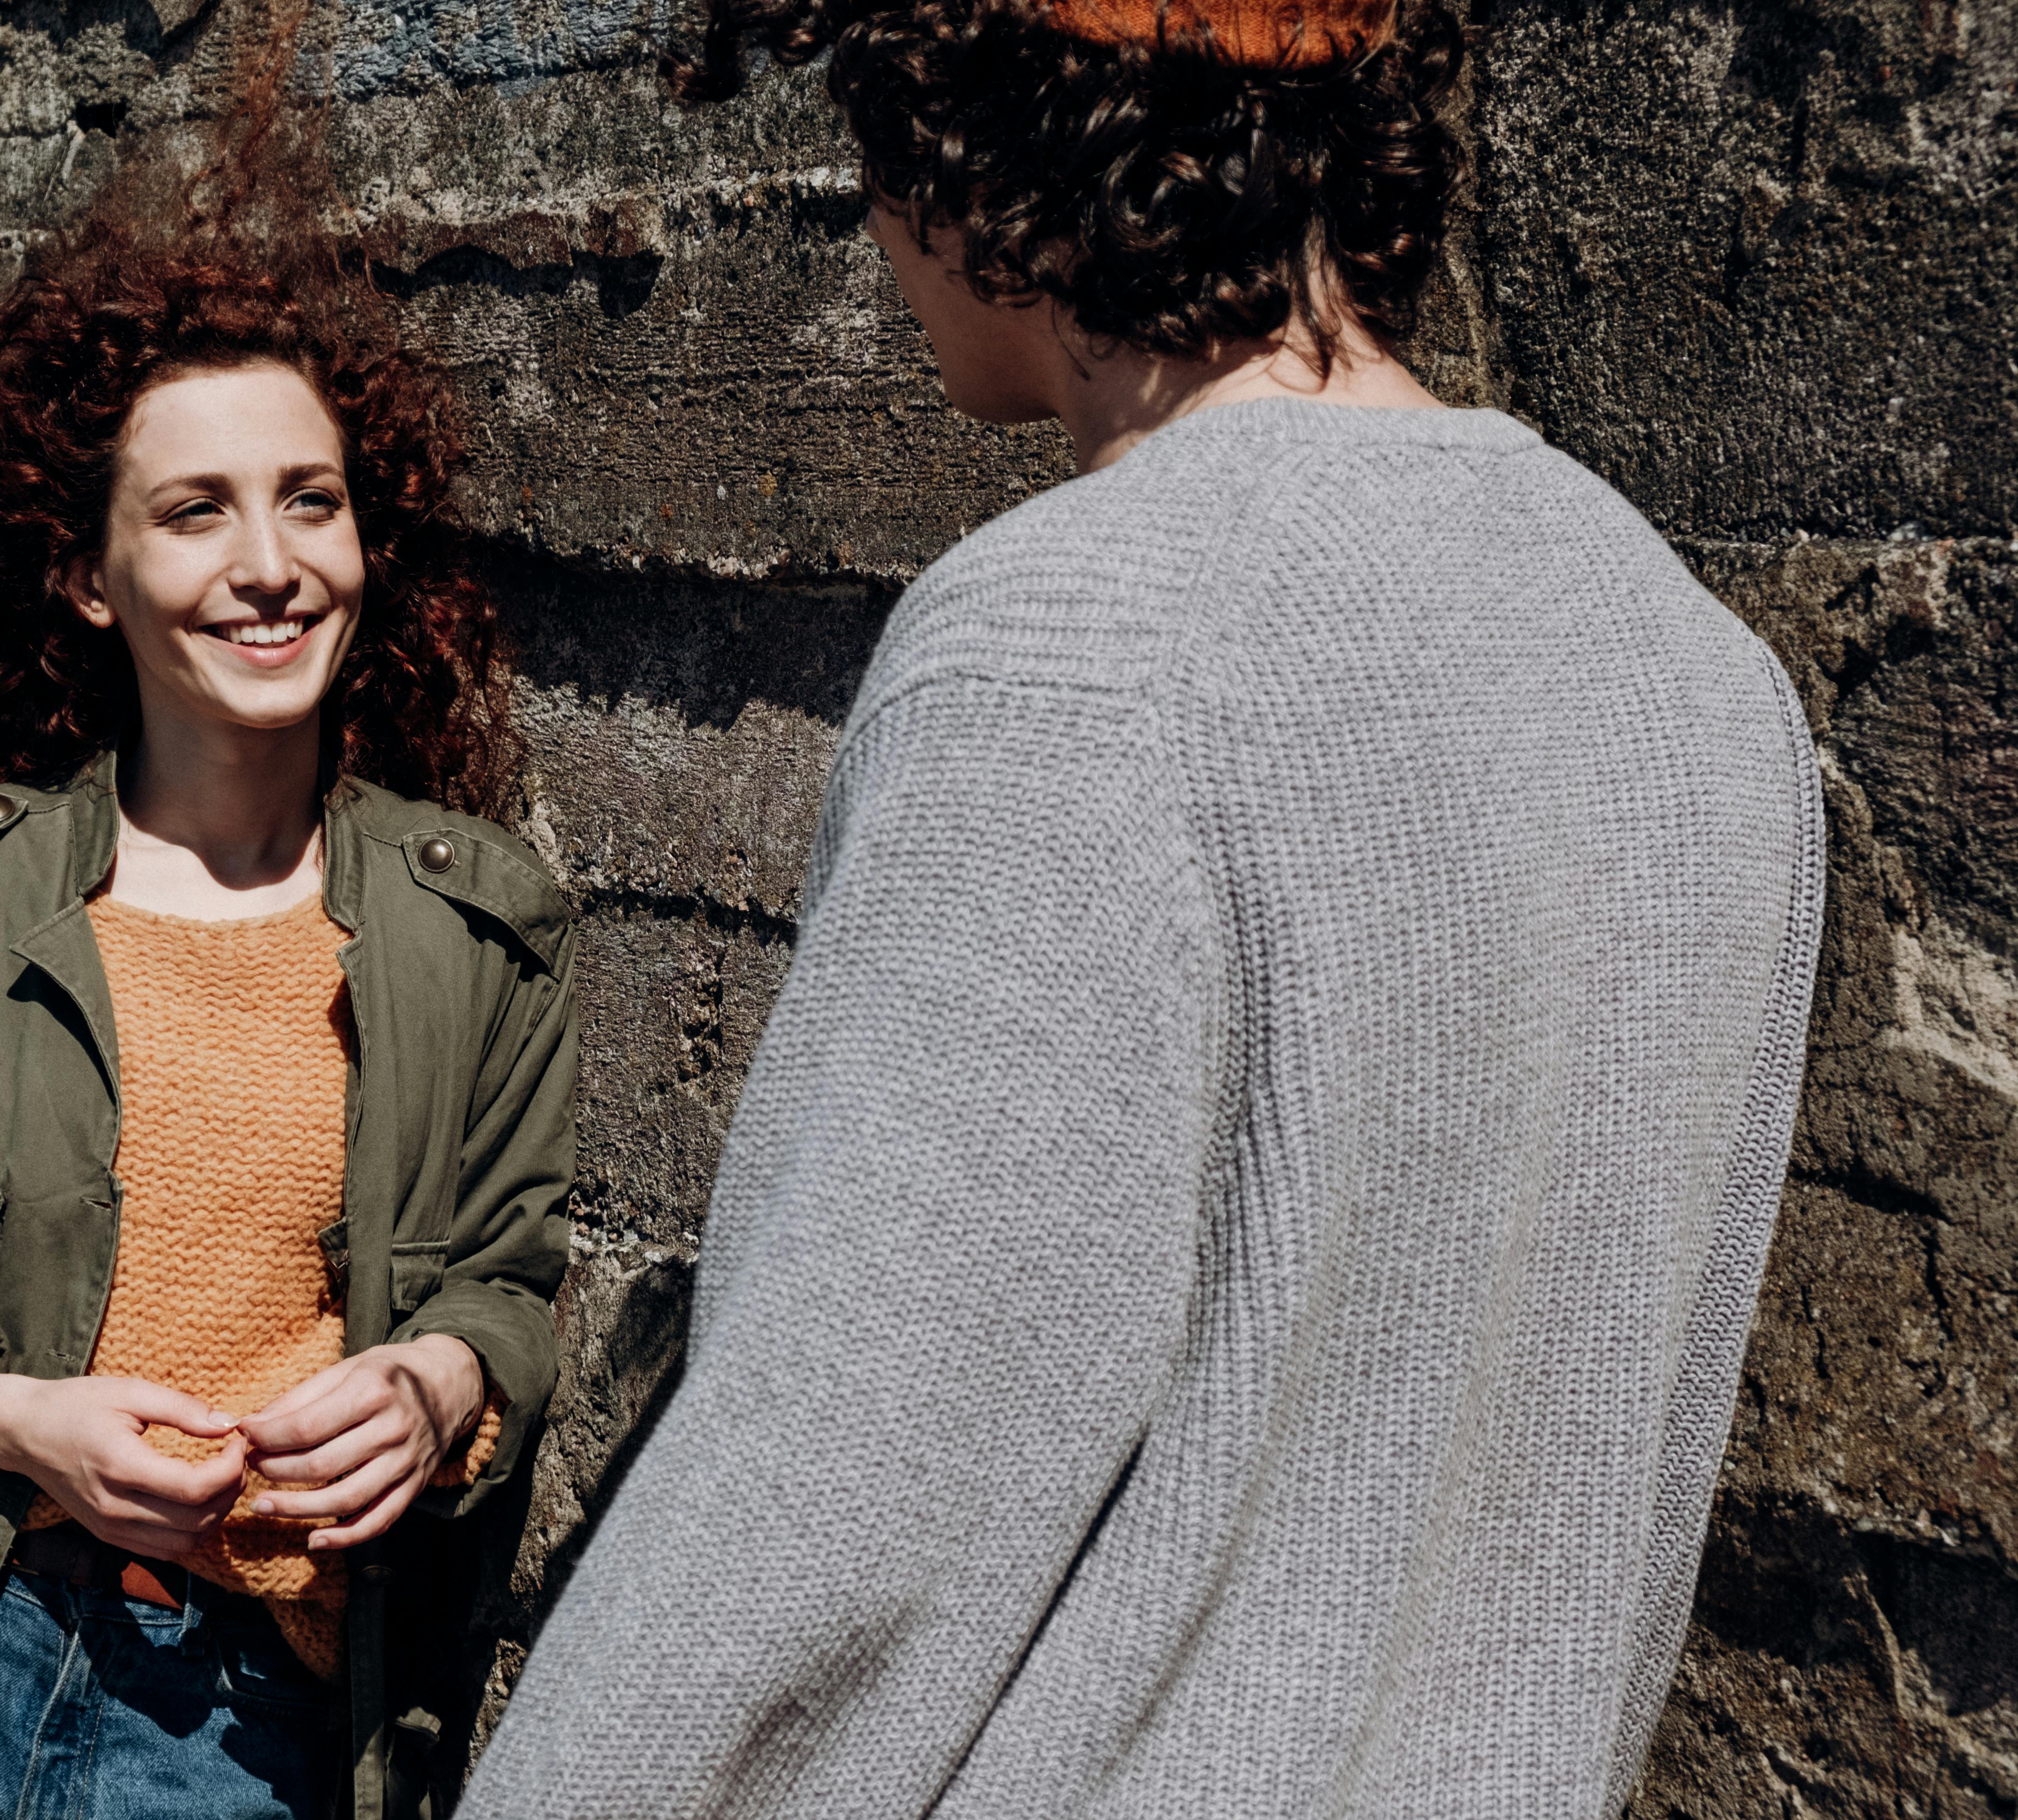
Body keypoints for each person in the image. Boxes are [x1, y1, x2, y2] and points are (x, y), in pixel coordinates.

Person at [459, 0, 1825, 1814]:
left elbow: (826, 1513)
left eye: (870, 130)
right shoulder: (1698, 679)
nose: (867, 223)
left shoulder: (1070, 648)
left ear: (972, 147)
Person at [0, 181, 575, 1820]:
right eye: (194, 512)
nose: (271, 567)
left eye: (311, 502)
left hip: (235, 1729)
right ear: (87, 574)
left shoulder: (478, 929)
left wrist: (438, 1390)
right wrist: (19, 1426)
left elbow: (508, 1287)